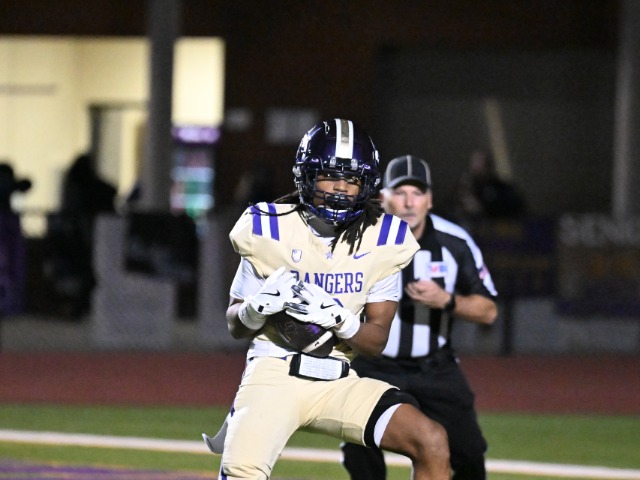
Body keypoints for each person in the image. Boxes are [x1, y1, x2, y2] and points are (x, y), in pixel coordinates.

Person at [207, 120, 450, 479]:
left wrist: (341, 321)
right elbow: (235, 324)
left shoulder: (383, 239)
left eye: (351, 179)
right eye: (330, 176)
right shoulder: (268, 228)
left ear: (366, 185)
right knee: (242, 472)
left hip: (338, 378)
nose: (340, 187)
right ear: (306, 177)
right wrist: (255, 309)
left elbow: (375, 341)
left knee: (431, 440)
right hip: (275, 372)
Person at [341, 155, 498, 480]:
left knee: (470, 456)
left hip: (435, 367)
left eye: (418, 193)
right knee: (359, 449)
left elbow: (489, 310)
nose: (410, 202)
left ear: (430, 200)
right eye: (400, 193)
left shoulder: (454, 242)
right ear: (383, 198)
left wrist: (447, 300)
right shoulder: (359, 237)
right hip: (374, 365)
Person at [46, 153, 117, 317]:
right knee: (90, 273)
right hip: (90, 235)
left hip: (82, 235)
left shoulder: (74, 186)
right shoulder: (89, 187)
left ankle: (80, 307)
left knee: (86, 274)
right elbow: (111, 190)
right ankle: (81, 307)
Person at [453, 149, 526, 225]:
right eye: (475, 164)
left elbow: (513, 209)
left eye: (481, 164)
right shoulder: (466, 188)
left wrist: (482, 208)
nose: (477, 168)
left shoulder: (502, 190)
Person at [0, 162, 32, 317]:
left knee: (11, 265)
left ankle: (9, 302)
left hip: (8, 222)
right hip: (6, 223)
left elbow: (26, 184)